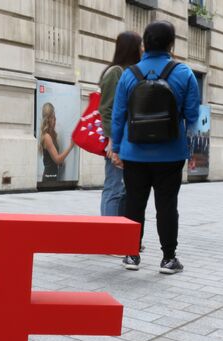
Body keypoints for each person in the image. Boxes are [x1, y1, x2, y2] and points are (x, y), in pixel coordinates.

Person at [110, 20, 200, 274]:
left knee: (134, 203)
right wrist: (190, 147)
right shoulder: (184, 73)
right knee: (167, 205)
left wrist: (116, 147)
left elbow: (118, 116)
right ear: (171, 44)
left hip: (134, 152)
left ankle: (131, 254)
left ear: (144, 44)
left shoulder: (129, 75)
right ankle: (168, 259)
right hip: (171, 153)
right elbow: (193, 116)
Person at [99, 31, 142, 217]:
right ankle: (108, 236)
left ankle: (122, 236)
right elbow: (106, 109)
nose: (142, 49)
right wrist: (111, 141)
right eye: (139, 45)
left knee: (124, 190)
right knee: (114, 188)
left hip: (128, 140)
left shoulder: (130, 72)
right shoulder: (115, 72)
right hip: (116, 141)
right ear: (131, 48)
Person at [40, 102, 74, 183]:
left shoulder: (52, 135)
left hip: (53, 176)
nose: (55, 120)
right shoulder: (47, 137)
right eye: (53, 118)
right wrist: (71, 146)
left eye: (55, 117)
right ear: (48, 119)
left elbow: (55, 159)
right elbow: (57, 160)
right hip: (49, 178)